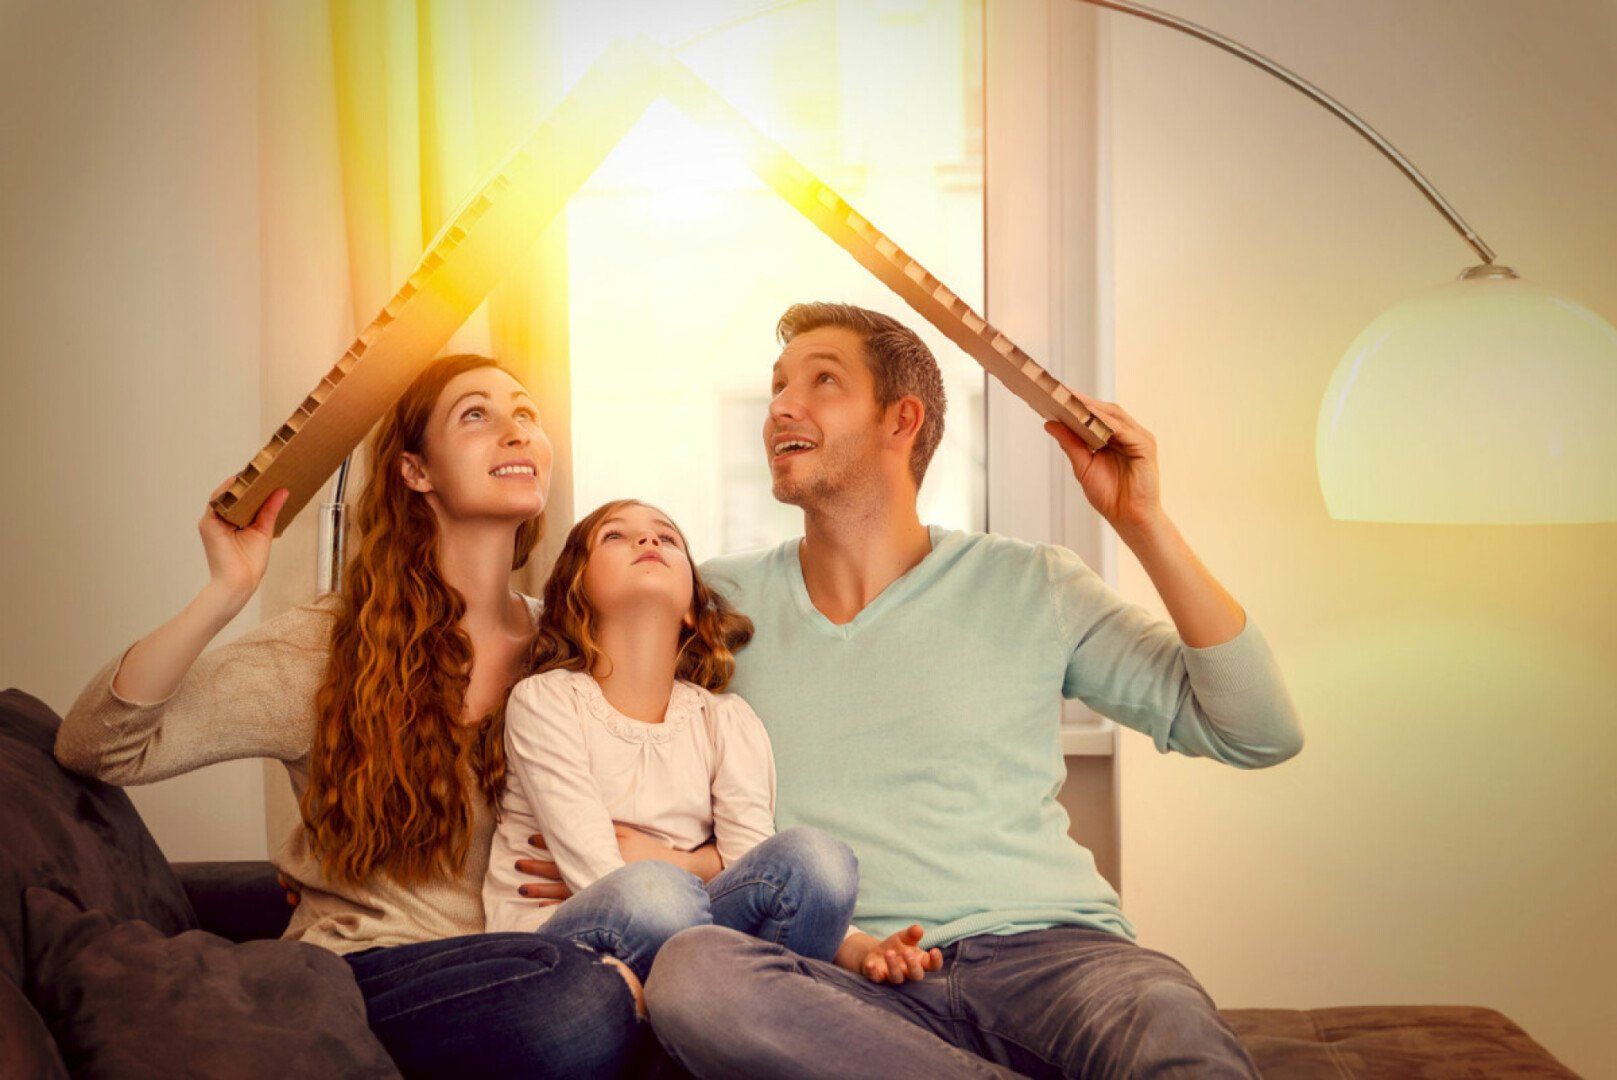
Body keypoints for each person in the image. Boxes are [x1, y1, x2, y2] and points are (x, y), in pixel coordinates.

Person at [642, 303, 1306, 1079]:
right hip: (843, 976)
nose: (781, 406)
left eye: (822, 382)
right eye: (778, 386)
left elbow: (1254, 730)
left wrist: (1142, 519)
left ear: (902, 421)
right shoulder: (713, 600)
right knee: (697, 975)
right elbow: (590, 704)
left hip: (1053, 959)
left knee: (1163, 1020)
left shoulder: (1031, 583)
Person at [54, 354, 669, 1077]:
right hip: (375, 977)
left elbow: (680, 822)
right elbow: (98, 744)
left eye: (526, 414)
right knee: (575, 1004)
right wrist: (226, 591)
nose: (515, 431)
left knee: (627, 980)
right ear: (415, 471)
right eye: (477, 414)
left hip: (536, 953)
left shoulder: (568, 653)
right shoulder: (328, 647)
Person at [483, 498, 858, 984]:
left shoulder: (724, 720)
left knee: (818, 860)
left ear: (690, 610)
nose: (649, 540)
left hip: (688, 927)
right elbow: (599, 872)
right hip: (568, 935)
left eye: (668, 537)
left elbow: (756, 868)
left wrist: (853, 943)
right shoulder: (547, 700)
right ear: (578, 594)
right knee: (656, 894)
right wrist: (687, 869)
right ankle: (728, 1001)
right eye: (615, 536)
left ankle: (714, 1007)